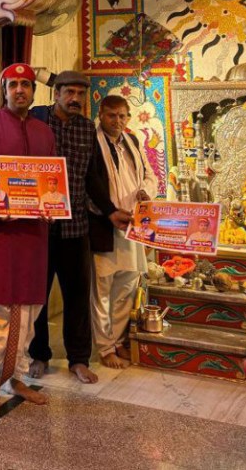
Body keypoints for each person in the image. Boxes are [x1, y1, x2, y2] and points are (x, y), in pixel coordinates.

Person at [0, 63, 54, 411]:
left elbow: (52, 179)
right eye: (14, 85)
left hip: (33, 234)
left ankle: (16, 377)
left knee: (29, 305)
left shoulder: (44, 132)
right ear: (4, 90)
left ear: (34, 91)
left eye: (26, 85)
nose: (20, 90)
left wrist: (53, 202)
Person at [28, 70, 125, 384]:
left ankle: (78, 360)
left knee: (78, 298)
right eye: (69, 92)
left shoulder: (86, 129)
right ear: (55, 93)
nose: (75, 99)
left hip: (76, 228)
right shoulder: (36, 120)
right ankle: (38, 355)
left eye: (81, 94)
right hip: (39, 228)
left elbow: (92, 177)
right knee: (38, 297)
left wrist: (110, 211)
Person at [88, 94, 157, 369]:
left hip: (133, 226)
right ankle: (105, 348)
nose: (117, 121)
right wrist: (110, 210)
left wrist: (146, 191)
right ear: (101, 115)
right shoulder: (92, 142)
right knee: (101, 290)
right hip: (103, 224)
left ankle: (117, 341)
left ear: (128, 117)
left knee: (126, 287)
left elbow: (150, 175)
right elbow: (89, 184)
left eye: (121, 116)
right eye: (111, 115)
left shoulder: (132, 142)